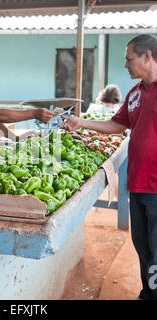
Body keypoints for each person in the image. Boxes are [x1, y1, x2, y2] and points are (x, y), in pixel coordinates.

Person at [59, 34, 157, 300]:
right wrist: (81, 123)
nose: (125, 65)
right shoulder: (135, 94)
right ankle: (148, 293)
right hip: (137, 184)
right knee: (144, 248)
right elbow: (118, 125)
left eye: (129, 59)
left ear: (147, 56)